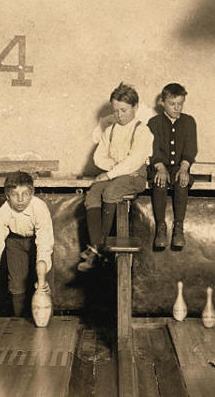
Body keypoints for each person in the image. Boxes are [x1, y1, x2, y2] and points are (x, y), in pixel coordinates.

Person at [78, 82, 154, 271]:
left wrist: (113, 172)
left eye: (124, 110)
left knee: (111, 192)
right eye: (116, 111)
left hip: (135, 176)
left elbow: (135, 160)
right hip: (118, 174)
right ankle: (96, 247)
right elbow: (98, 158)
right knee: (94, 193)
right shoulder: (110, 130)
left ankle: (98, 249)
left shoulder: (142, 131)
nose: (119, 115)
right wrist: (116, 169)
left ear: (135, 107)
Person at [0, 172, 54, 317]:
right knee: (16, 286)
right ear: (7, 196)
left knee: (43, 286)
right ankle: (19, 324)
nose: (20, 200)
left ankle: (46, 322)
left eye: (25, 194)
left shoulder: (40, 208)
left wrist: (43, 274)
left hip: (37, 243)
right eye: (15, 195)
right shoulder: (2, 212)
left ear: (32, 193)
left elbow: (44, 242)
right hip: (14, 242)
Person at [147, 83, 198, 249]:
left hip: (180, 166)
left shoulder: (189, 122)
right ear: (162, 102)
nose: (177, 108)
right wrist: (160, 168)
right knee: (160, 183)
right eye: (172, 104)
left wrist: (184, 168)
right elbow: (153, 150)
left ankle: (178, 228)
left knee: (182, 182)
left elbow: (191, 148)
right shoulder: (154, 123)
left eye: (180, 104)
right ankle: (160, 228)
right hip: (159, 166)